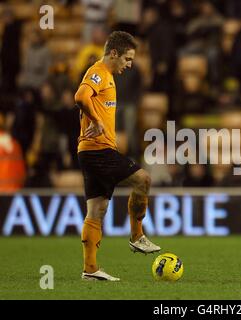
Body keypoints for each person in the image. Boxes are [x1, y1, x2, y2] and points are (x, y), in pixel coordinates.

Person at [74, 31, 161, 281]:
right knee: (143, 179)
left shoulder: (107, 76)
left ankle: (90, 270)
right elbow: (80, 97)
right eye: (127, 58)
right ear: (114, 53)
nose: (130, 64)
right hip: (99, 150)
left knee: (96, 210)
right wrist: (97, 121)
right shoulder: (99, 72)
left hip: (89, 152)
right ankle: (137, 236)